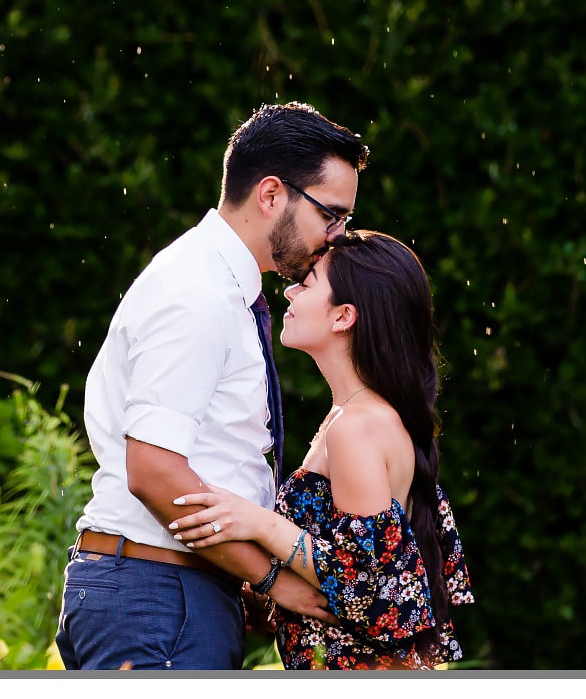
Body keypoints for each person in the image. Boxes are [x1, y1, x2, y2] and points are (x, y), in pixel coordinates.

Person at [54, 102, 370, 670]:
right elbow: (153, 471)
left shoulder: (220, 287)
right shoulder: (197, 293)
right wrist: (273, 577)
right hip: (158, 596)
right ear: (272, 195)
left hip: (164, 590)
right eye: (332, 216)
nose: (335, 238)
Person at [164, 229, 473, 669]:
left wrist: (260, 523)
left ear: (343, 316)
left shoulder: (358, 426)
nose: (290, 289)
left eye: (307, 283)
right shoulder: (354, 416)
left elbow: (365, 583)